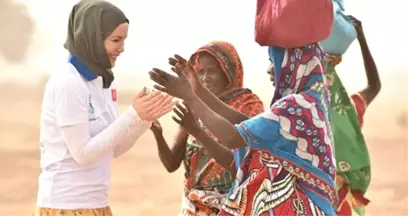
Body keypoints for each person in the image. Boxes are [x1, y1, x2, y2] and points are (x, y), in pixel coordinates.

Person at [149, 42, 337, 215]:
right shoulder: (311, 103)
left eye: (275, 62)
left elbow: (235, 139)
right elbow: (245, 126)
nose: (269, 70)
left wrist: (191, 98)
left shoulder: (294, 107)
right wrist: (196, 93)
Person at [34, 1, 176, 216]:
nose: (122, 48)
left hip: (97, 204)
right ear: (91, 38)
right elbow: (82, 154)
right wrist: (132, 115)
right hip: (64, 206)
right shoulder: (68, 82)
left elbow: (113, 149)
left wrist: (143, 120)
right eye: (115, 40)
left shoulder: (104, 81)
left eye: (124, 40)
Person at [149, 41, 264, 216]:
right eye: (200, 72)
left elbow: (240, 164)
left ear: (228, 72)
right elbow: (171, 164)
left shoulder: (248, 105)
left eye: (212, 71)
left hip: (231, 206)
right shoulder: (195, 105)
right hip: (192, 207)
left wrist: (199, 133)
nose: (205, 78)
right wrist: (158, 134)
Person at [325, 16, 381, 216]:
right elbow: (375, 86)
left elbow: (374, 86)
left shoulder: (300, 114)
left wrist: (362, 39)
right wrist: (361, 39)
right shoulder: (347, 110)